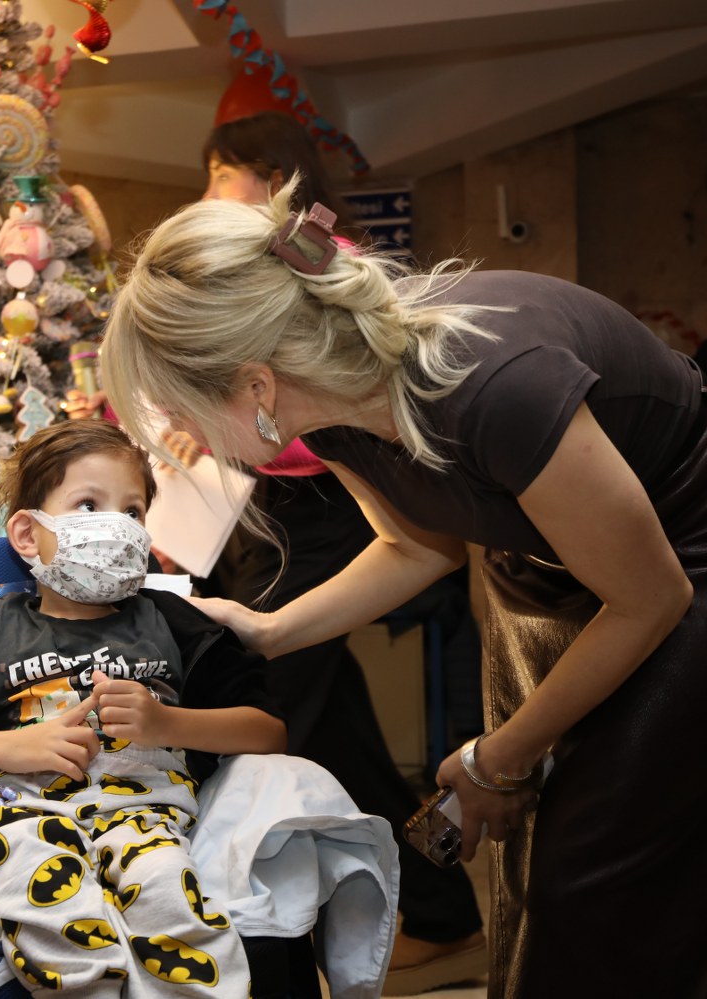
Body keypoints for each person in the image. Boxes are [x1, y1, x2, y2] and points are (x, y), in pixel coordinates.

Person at [98, 182, 707, 997]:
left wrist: (497, 756)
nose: (181, 434)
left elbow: (647, 598)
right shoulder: (325, 412)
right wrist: (268, 630)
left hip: (706, 548)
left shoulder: (492, 382)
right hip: (550, 564)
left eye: (180, 406)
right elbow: (413, 546)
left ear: (253, 385)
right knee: (559, 860)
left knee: (597, 865)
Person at [0, 419, 286, 998]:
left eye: (132, 512)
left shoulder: (177, 625)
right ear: (28, 535)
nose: (117, 526)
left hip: (147, 818)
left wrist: (168, 724)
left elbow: (268, 731)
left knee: (165, 890)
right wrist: (1, 746)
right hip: (20, 815)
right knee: (32, 881)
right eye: (88, 505)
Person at [202, 111, 487, 993]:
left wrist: (233, 437)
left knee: (270, 705)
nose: (214, 196)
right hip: (276, 512)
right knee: (333, 731)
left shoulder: (324, 260)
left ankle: (262, 923)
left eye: (228, 177)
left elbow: (328, 413)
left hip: (328, 506)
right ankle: (438, 911)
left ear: (279, 178)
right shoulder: (260, 265)